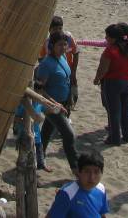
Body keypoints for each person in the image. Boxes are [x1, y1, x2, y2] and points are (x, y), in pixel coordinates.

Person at [36, 32, 79, 174]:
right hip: (51, 106)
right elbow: (39, 89)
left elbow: (66, 78)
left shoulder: (63, 58)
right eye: (59, 44)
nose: (63, 47)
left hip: (63, 102)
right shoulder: (46, 64)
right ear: (52, 46)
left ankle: (39, 161)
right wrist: (54, 104)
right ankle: (75, 168)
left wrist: (70, 97)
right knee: (69, 134)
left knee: (46, 133)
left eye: (65, 44)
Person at [94, 23, 128, 146]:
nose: (106, 38)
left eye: (107, 36)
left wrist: (97, 79)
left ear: (113, 38)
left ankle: (114, 138)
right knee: (126, 110)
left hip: (113, 83)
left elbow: (103, 68)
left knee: (114, 112)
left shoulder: (110, 51)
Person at [46, 150, 109, 217]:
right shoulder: (67, 194)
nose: (92, 177)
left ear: (101, 173)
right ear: (79, 171)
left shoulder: (101, 189)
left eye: (96, 172)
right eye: (87, 171)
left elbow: (102, 214)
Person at [38, 16, 81, 92]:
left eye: (60, 28)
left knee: (71, 93)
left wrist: (73, 73)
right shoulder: (47, 43)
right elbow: (41, 58)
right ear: (49, 30)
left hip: (69, 72)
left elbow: (76, 53)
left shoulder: (68, 38)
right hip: (56, 76)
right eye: (55, 29)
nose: (58, 31)